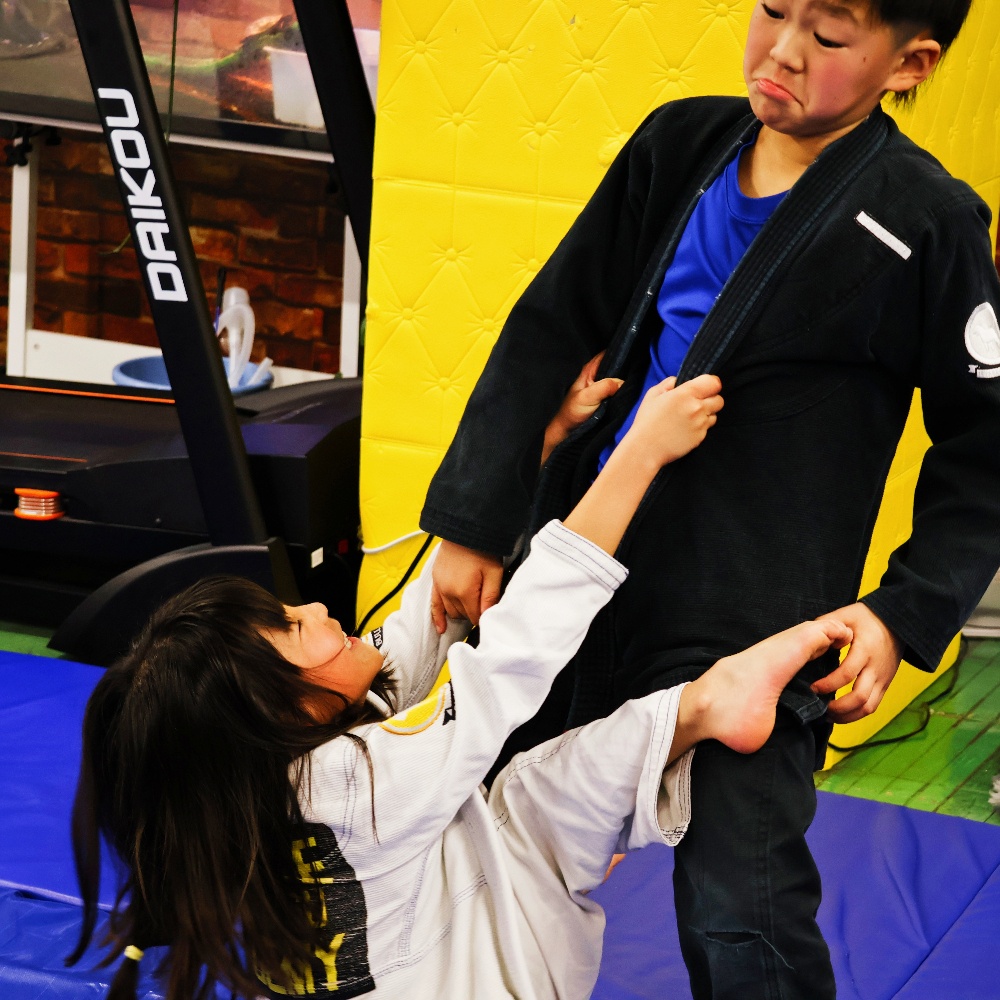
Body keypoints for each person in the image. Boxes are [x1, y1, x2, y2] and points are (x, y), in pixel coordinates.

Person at [420, 1, 1000, 997]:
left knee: (743, 909)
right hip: (582, 565)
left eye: (828, 37)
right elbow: (552, 321)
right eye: (772, 8)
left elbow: (984, 446)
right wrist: (476, 522)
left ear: (908, 64)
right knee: (467, 834)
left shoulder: (926, 218)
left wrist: (901, 614)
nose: (782, 49)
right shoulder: (679, 144)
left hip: (751, 623)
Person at [68, 371, 854, 1000]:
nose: (315, 608)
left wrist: (525, 459)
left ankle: (695, 715)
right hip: (500, 979)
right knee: (530, 792)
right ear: (282, 708)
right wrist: (638, 455)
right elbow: (508, 657)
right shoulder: (353, 782)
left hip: (434, 959)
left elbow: (423, 624)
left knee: (503, 784)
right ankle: (709, 703)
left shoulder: (270, 780)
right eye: (297, 628)